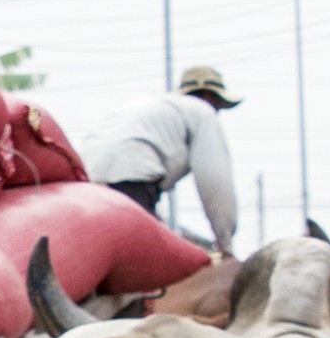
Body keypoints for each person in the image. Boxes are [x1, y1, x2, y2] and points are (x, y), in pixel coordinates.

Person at [80, 64, 241, 253]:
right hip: (130, 181)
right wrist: (225, 244)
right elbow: (215, 180)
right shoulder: (204, 113)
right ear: (210, 97)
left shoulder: (155, 107)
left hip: (84, 183)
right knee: (143, 260)